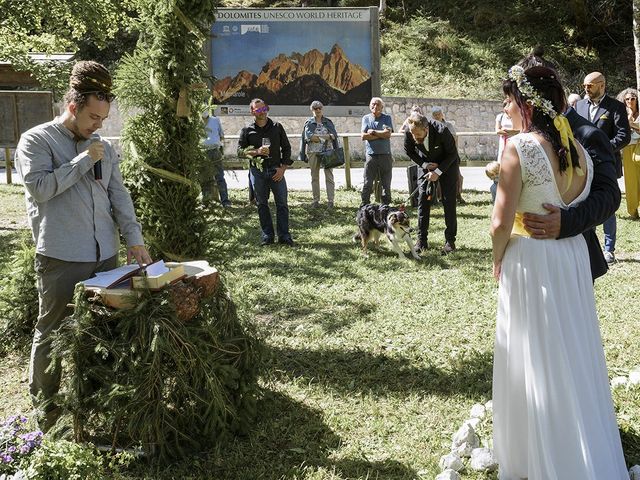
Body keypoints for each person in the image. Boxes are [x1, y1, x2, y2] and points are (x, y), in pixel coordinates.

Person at [491, 65, 628, 479]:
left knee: (536, 351)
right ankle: (579, 436)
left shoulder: (521, 147)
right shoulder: (575, 149)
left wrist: (496, 257)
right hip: (570, 260)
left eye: (509, 99)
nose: (504, 107)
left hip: (534, 260)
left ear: (528, 103)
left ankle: (540, 452)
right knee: (572, 346)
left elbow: (500, 223)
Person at [14, 60, 152, 430]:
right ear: (72, 106)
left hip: (104, 257)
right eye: (93, 117)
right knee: (53, 332)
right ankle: (47, 411)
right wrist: (81, 161)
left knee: (104, 330)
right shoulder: (36, 141)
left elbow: (118, 196)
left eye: (103, 119)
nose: (98, 126)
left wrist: (134, 240)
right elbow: (40, 189)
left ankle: (94, 399)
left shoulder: (102, 146)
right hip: (62, 256)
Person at [517, 50, 621, 282]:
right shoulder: (524, 135)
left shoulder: (587, 134)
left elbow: (610, 195)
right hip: (527, 258)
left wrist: (567, 221)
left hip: (574, 254)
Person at [575, 72, 630, 264]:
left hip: (606, 165)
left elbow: (624, 136)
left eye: (589, 86)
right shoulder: (579, 106)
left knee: (607, 206)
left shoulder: (616, 107)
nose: (586, 89)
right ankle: (589, 245)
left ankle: (609, 249)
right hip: (582, 166)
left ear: (602, 85)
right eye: (584, 86)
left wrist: (602, 150)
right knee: (584, 202)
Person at [238, 98, 294, 246]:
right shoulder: (247, 130)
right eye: (259, 110)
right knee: (262, 204)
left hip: (276, 170)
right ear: (252, 112)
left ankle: (284, 236)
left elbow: (287, 148)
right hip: (257, 172)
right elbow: (240, 152)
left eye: (264, 109)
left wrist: (282, 169)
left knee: (282, 204)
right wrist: (256, 152)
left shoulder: (277, 127)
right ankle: (267, 236)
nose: (263, 112)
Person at [403, 112, 459, 254]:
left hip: (448, 165)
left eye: (418, 135)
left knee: (448, 201)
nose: (414, 138)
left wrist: (438, 172)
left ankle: (450, 242)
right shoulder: (410, 131)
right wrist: (424, 165)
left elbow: (453, 154)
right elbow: (409, 151)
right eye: (412, 135)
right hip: (426, 165)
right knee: (423, 200)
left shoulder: (442, 130)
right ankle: (421, 241)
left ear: (426, 129)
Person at [299, 100, 338, 208]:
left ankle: (331, 201)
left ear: (322, 108)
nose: (318, 110)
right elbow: (310, 137)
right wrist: (326, 137)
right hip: (313, 152)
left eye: (320, 107)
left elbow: (334, 135)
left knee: (329, 176)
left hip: (328, 152)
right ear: (312, 110)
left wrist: (320, 137)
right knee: (314, 177)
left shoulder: (328, 122)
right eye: (315, 108)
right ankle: (316, 200)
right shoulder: (309, 123)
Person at [360, 97, 394, 206]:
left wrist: (373, 132)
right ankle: (365, 203)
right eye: (373, 104)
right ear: (370, 106)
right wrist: (381, 135)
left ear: (382, 107)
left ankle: (385, 205)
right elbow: (364, 136)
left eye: (378, 104)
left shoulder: (387, 118)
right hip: (371, 155)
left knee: (386, 182)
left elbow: (388, 134)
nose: (375, 106)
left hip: (385, 154)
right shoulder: (366, 118)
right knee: (368, 181)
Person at [432, 106, 465, 204]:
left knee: (457, 176)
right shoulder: (431, 126)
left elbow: (454, 138)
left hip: (451, 154)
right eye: (435, 115)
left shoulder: (448, 125)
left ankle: (458, 195)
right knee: (439, 175)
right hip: (438, 155)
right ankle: (440, 197)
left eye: (439, 114)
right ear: (432, 116)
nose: (437, 116)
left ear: (442, 114)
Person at [617, 87, 640, 218]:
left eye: (633, 98)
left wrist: (632, 124)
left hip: (639, 147)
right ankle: (633, 210)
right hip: (628, 149)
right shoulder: (622, 114)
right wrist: (630, 118)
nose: (630, 101)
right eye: (627, 99)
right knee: (631, 181)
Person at [202, 110, 230, 207]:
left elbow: (222, 135)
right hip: (202, 153)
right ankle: (206, 202)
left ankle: (225, 201)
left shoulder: (215, 120)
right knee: (204, 178)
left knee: (220, 177)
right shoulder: (195, 121)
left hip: (215, 151)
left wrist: (220, 149)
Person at [495, 98, 517, 163]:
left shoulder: (515, 117)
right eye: (506, 106)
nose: (507, 109)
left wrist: (505, 131)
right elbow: (497, 131)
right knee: (502, 156)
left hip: (514, 140)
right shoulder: (500, 117)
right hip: (503, 140)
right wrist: (511, 132)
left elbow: (518, 131)